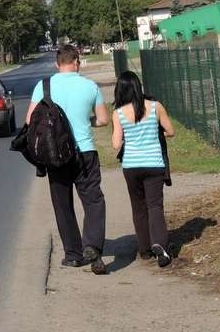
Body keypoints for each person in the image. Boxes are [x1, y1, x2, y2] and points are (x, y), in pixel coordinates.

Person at [25, 44, 109, 274]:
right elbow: (103, 120)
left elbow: (30, 119)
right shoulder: (90, 86)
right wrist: (86, 122)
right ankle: (92, 244)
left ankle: (73, 254)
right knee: (93, 199)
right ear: (77, 61)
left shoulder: (44, 87)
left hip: (56, 155)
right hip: (85, 152)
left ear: (57, 63)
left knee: (62, 204)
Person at [111, 71, 175, 268]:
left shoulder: (119, 113)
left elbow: (115, 144)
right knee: (154, 205)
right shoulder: (155, 107)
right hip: (154, 163)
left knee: (138, 207)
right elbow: (171, 131)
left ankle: (145, 249)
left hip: (131, 165)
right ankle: (160, 245)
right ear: (139, 87)